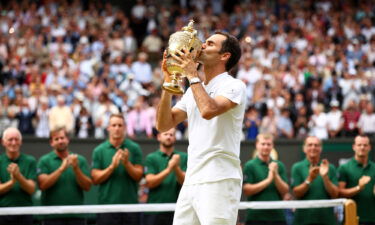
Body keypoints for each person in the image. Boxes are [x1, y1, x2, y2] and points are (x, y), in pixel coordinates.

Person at [156, 31, 246, 225]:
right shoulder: (192, 90)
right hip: (192, 179)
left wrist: (192, 75)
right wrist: (168, 82)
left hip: (219, 179)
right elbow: (164, 124)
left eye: (210, 44)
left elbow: (208, 110)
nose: (202, 45)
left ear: (225, 56)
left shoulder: (234, 85)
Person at [91, 114, 143, 225]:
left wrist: (126, 163)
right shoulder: (98, 150)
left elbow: (139, 176)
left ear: (124, 127)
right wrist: (112, 167)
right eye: (113, 125)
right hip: (106, 208)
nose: (117, 128)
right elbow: (95, 179)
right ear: (108, 128)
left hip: (130, 208)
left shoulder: (134, 148)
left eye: (120, 125)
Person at [37, 127, 92, 225]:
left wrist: (76, 169)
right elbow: (42, 185)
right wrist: (61, 169)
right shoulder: (44, 160)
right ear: (51, 143)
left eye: (62, 138)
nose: (60, 141)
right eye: (56, 139)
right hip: (51, 216)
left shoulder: (80, 160)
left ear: (68, 140)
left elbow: (87, 186)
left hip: (76, 215)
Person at [144, 128, 188, 225]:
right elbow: (150, 182)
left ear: (175, 138)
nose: (169, 137)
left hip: (178, 210)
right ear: (159, 137)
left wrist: (176, 168)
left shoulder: (184, 157)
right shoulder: (151, 157)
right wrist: (169, 169)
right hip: (154, 211)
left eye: (171, 135)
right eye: (166, 134)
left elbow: (185, 182)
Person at [291, 136, 339, 225]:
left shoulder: (330, 168)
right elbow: (296, 193)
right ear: (304, 148)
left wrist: (325, 177)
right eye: (310, 145)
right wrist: (310, 178)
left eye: (316, 145)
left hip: (326, 220)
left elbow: (335, 194)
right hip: (303, 220)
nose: (313, 147)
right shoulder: (297, 167)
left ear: (320, 149)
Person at [243, 133, 289, 225]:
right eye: (263, 144)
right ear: (257, 145)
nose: (266, 147)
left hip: (277, 217)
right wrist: (268, 180)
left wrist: (275, 174)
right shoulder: (249, 165)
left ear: (273, 146)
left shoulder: (279, 165)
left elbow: (285, 191)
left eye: (268, 144)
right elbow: (247, 190)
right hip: (255, 217)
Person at [0, 127, 36, 225]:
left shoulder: (30, 161)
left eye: (16, 139)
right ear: (3, 142)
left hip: (25, 213)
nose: (14, 143)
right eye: (10, 139)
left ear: (21, 142)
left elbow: (31, 189)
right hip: (2, 213)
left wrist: (18, 176)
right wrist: (12, 182)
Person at [338, 135, 375, 225]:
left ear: (369, 147)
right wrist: (359, 187)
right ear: (354, 147)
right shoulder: (344, 168)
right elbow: (339, 193)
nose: (362, 147)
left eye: (365, 145)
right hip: (352, 219)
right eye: (359, 145)